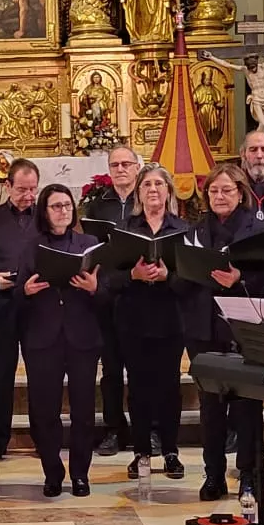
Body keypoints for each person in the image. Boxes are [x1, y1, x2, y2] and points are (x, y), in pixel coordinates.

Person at [177, 163, 264, 502]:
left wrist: (240, 278)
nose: (219, 196)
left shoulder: (257, 230)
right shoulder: (194, 232)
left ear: (240, 192)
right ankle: (213, 473)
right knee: (210, 407)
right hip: (203, 326)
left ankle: (248, 475)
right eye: (213, 191)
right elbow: (177, 281)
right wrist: (191, 272)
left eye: (227, 190)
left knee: (246, 406)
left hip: (244, 328)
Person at [102, 165, 186, 481]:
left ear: (169, 191)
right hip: (133, 319)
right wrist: (132, 276)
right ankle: (141, 453)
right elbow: (108, 279)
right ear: (139, 192)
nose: (153, 189)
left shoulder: (183, 230)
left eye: (159, 184)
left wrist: (169, 276)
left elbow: (191, 279)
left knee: (169, 388)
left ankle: (171, 451)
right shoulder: (124, 229)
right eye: (147, 184)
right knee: (137, 389)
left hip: (170, 319)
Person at [20, 183, 103, 496]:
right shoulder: (31, 246)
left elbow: (104, 292)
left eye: (67, 205)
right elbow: (18, 293)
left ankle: (80, 474)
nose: (63, 211)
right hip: (44, 337)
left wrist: (94, 287)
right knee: (45, 410)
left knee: (83, 409)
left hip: (81, 336)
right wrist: (25, 291)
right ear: (44, 210)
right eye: (56, 206)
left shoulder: (89, 242)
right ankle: (52, 472)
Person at [0, 158, 40, 461]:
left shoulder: (46, 217)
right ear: (8, 187)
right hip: (0, 307)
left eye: (33, 190)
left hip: (37, 306)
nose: (28, 196)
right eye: (22, 190)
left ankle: (43, 435)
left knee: (41, 375)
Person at [85, 145, 143, 457]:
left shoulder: (145, 199)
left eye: (126, 164)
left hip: (139, 293)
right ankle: (113, 429)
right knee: (110, 369)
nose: (120, 169)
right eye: (115, 165)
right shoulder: (98, 204)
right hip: (107, 292)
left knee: (139, 368)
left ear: (137, 167)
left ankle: (145, 427)